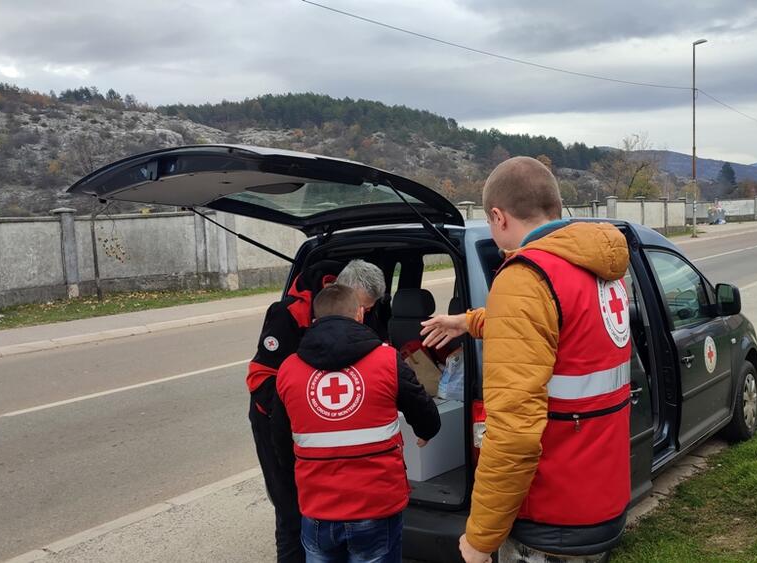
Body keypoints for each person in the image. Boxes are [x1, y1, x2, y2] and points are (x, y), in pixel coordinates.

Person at [420, 157, 632, 563]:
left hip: (552, 509)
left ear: (498, 217)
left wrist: (480, 539)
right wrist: (467, 321)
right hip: (600, 493)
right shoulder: (599, 269)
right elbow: (557, 327)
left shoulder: (526, 276)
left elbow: (514, 432)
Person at [271, 284, 441, 563]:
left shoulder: (288, 369)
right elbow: (427, 416)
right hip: (376, 504)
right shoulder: (387, 360)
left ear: (315, 320)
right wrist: (425, 432)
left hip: (317, 507)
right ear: (361, 314)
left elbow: (279, 442)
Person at [247, 259, 387, 563]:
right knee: (291, 511)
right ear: (340, 294)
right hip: (279, 426)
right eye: (360, 308)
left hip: (329, 426)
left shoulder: (364, 311)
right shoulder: (287, 315)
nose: (362, 317)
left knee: (335, 515)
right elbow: (259, 379)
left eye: (369, 310)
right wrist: (305, 410)